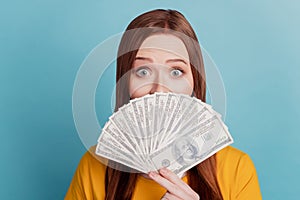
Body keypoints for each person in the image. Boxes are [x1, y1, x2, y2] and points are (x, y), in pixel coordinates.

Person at [65, 9, 262, 200]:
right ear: (125, 82)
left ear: (195, 82)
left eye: (176, 71)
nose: (159, 89)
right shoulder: (95, 165)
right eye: (143, 71)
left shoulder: (236, 168)